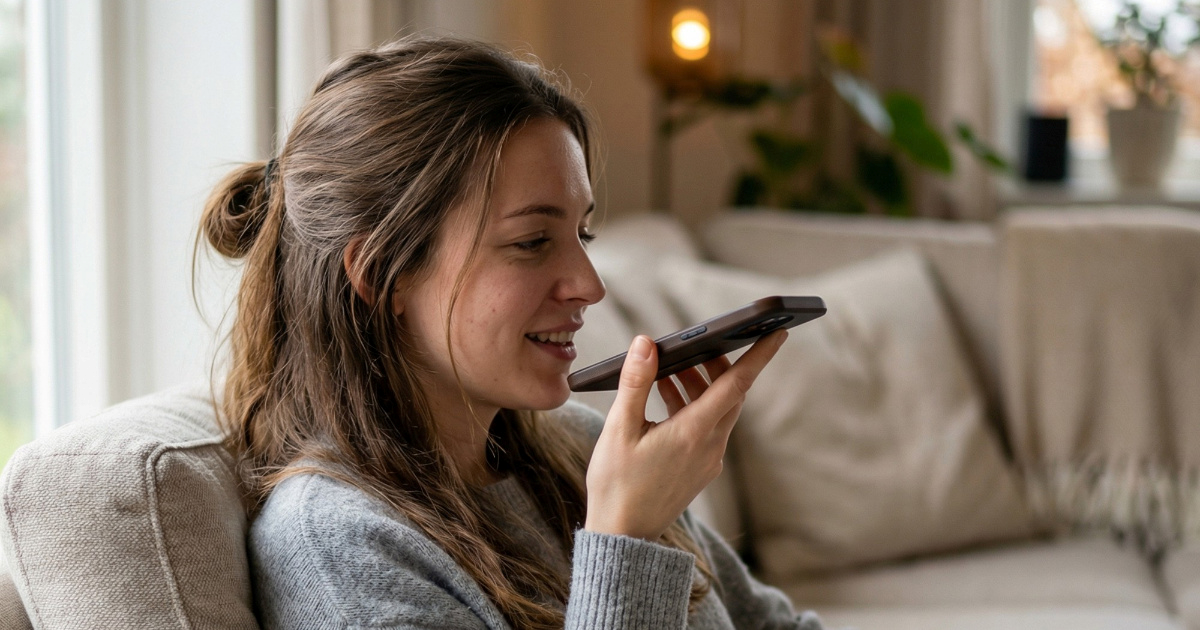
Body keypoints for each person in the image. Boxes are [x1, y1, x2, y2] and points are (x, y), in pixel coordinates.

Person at [199, 36, 825, 629]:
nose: (589, 284)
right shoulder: (337, 546)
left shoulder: (581, 449)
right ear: (382, 275)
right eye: (532, 241)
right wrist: (625, 538)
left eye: (583, 234)